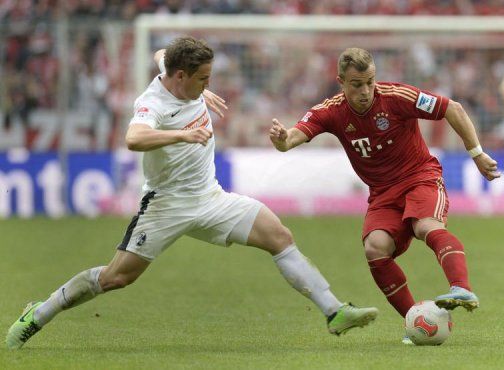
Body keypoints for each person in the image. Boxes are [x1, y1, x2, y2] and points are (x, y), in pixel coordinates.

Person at [6, 37, 378, 350]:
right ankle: (39, 312)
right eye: (203, 78)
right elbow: (134, 138)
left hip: (211, 198)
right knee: (116, 278)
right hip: (166, 205)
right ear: (180, 77)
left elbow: (161, 56)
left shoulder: (176, 73)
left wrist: (202, 89)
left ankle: (334, 311)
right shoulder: (152, 104)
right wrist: (182, 135)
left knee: (279, 236)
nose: (207, 83)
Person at [269, 47, 500, 343]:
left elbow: (452, 108)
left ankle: (461, 288)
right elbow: (291, 139)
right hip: (382, 194)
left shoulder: (396, 97)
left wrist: (477, 154)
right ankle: (415, 321)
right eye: (356, 84)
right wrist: (281, 139)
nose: (366, 91)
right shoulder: (330, 111)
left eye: (370, 81)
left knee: (425, 226)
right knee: (375, 248)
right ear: (341, 81)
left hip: (420, 178)